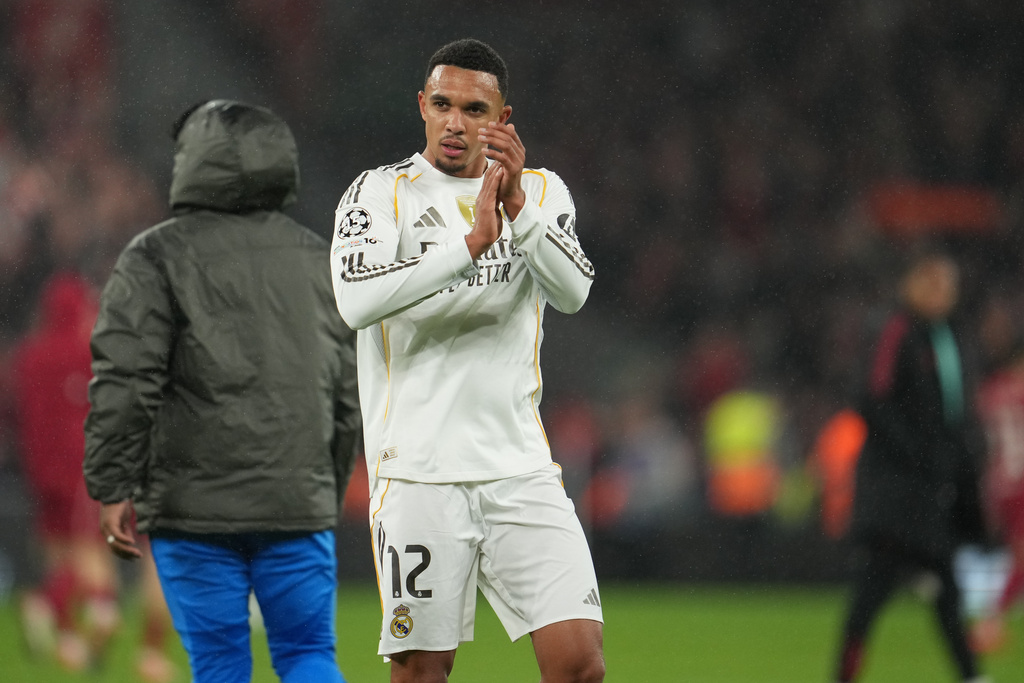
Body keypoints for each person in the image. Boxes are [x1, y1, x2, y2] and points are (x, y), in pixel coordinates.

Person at [330, 39, 604, 683]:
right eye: (444, 104)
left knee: (580, 665)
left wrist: (514, 213)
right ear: (422, 106)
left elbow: (573, 292)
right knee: (423, 672)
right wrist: (470, 244)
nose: (457, 122)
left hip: (520, 472)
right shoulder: (378, 194)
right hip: (418, 476)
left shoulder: (540, 191)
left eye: (476, 108)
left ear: (503, 120)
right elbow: (355, 300)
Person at [83, 100, 361, 683]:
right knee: (310, 654)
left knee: (219, 665)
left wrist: (112, 484)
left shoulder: (153, 256)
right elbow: (346, 390)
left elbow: (126, 380)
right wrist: (324, 489)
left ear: (191, 164)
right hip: (295, 502)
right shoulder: (318, 257)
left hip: (193, 508)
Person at [832, 249, 989, 683]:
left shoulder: (950, 335)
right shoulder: (895, 329)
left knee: (944, 588)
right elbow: (872, 398)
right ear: (911, 284)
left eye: (947, 285)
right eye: (932, 283)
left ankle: (972, 674)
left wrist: (960, 458)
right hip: (896, 488)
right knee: (878, 586)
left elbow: (959, 410)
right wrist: (918, 452)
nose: (941, 293)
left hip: (934, 487)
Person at [12, 271, 175, 681]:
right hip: (99, 466)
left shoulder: (28, 355)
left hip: (41, 472)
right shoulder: (94, 351)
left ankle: (69, 634)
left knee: (64, 554)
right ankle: (77, 613)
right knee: (126, 555)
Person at [971, 343, 1024, 652]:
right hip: (1021, 483)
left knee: (1018, 555)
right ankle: (990, 624)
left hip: (997, 485)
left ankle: (991, 622)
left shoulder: (988, 393)